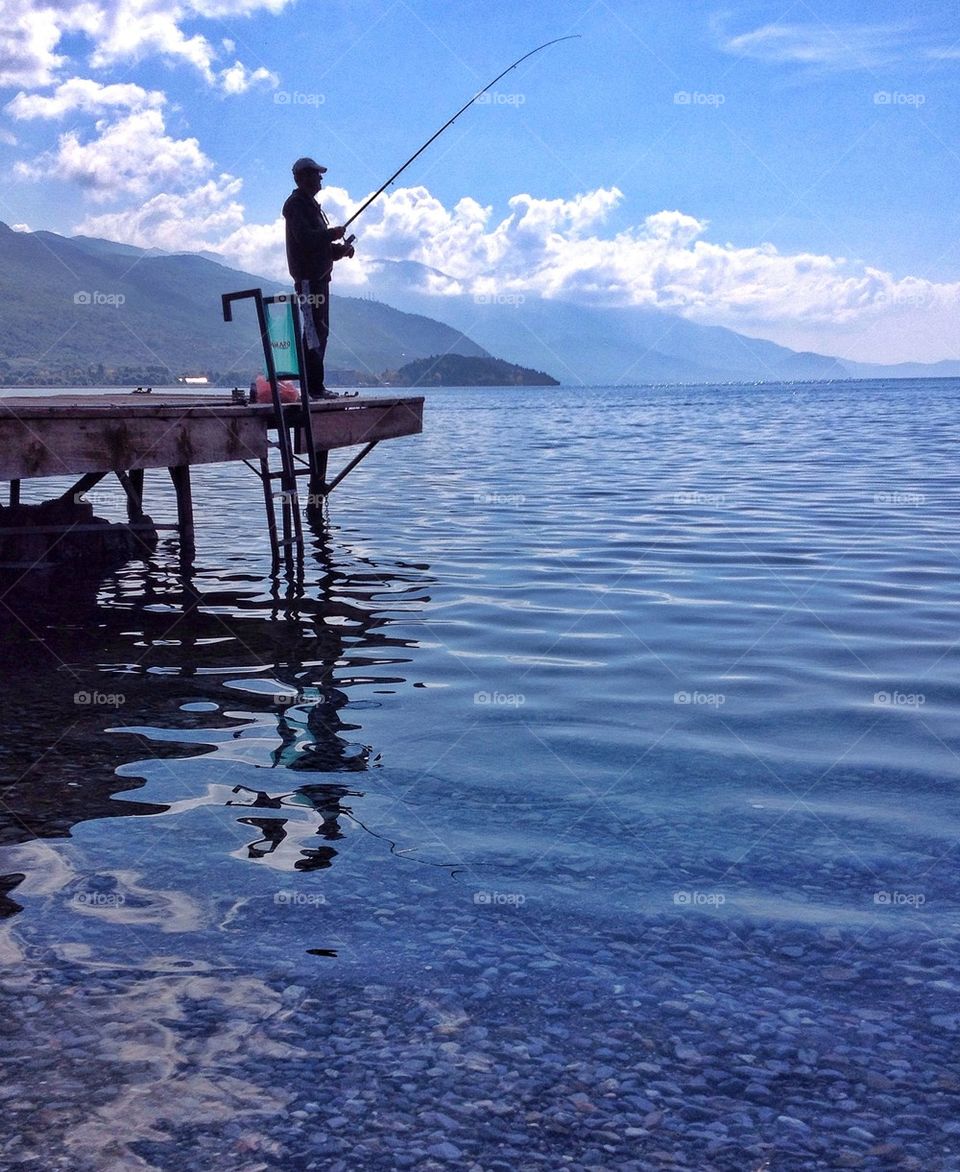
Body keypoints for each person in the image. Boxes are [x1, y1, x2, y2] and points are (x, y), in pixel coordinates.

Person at [282, 157, 355, 399]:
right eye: (315, 174)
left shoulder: (312, 206)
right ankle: (313, 389)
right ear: (301, 177)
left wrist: (340, 251)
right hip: (308, 280)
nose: (320, 178)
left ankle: (315, 387)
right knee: (313, 331)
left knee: (319, 331)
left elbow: (319, 247)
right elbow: (306, 239)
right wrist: (331, 234)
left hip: (319, 279)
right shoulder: (295, 205)